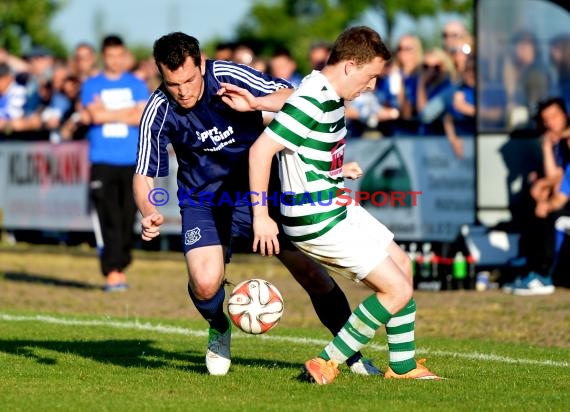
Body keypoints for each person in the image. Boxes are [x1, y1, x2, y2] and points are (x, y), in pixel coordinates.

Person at [133, 31, 381, 377]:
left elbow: (296, 97)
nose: (183, 91)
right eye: (173, 84)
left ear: (201, 64)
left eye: (189, 80)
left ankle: (351, 357)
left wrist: (255, 103)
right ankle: (219, 328)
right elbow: (144, 174)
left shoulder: (230, 76)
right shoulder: (159, 109)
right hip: (205, 202)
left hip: (262, 190)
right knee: (205, 282)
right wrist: (148, 211)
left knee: (313, 275)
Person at [249, 25, 441, 385]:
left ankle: (402, 366)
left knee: (403, 267)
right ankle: (327, 361)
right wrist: (261, 216)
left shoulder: (320, 86)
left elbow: (291, 101)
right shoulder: (314, 99)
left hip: (333, 202)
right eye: (371, 77)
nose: (371, 86)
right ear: (351, 66)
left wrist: (335, 168)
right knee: (396, 289)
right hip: (315, 217)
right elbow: (261, 151)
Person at [81, 34, 150, 291]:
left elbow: (141, 116)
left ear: (124, 55)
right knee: (108, 215)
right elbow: (93, 116)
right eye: (110, 56)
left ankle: (121, 263)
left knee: (127, 216)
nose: (115, 61)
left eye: (119, 55)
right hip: (102, 159)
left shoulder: (136, 84)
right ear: (103, 56)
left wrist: (108, 113)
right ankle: (112, 270)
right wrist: (126, 112)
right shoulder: (92, 84)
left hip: (131, 160)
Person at [502, 97, 570, 295]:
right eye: (545, 119)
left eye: (554, 117)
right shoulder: (557, 143)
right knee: (535, 207)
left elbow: (561, 189)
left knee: (553, 217)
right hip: (563, 200)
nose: (550, 122)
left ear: (564, 115)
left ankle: (544, 275)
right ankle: (531, 266)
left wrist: (548, 202)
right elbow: (558, 180)